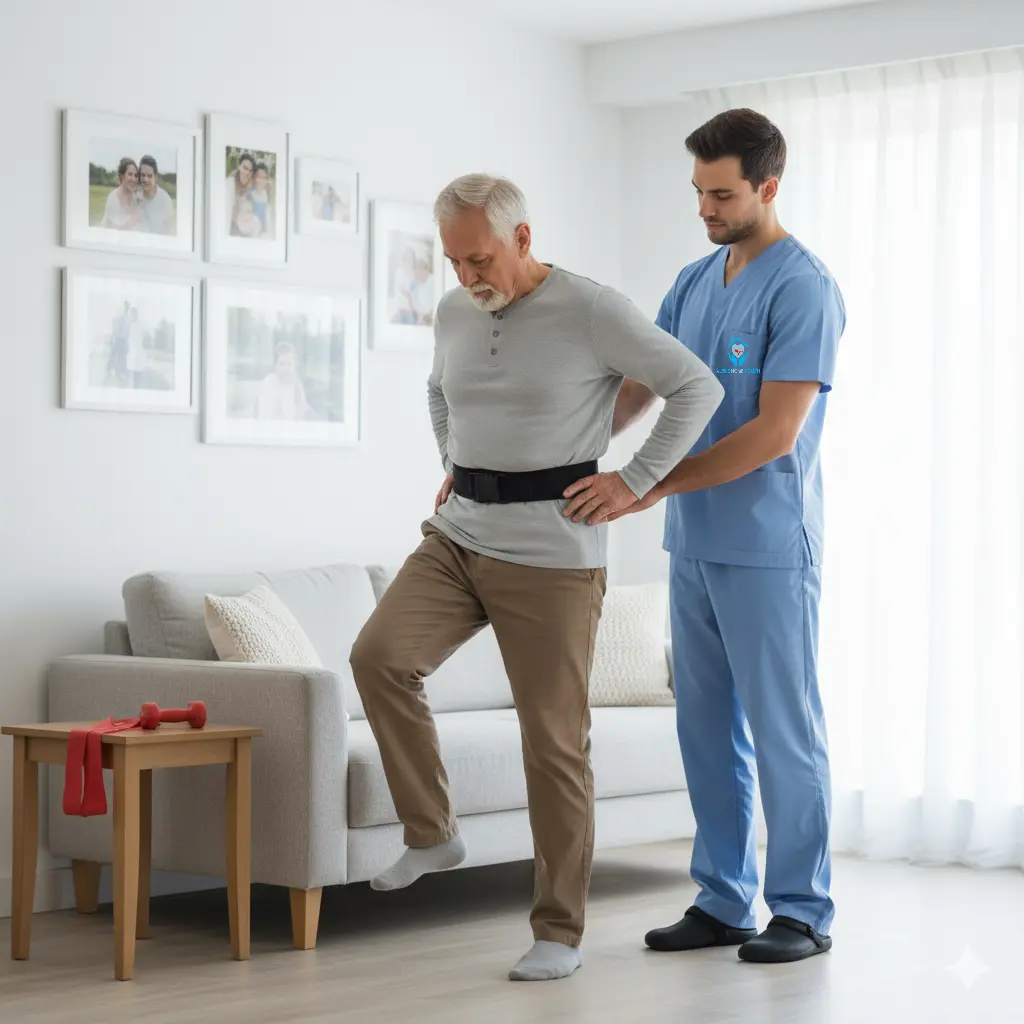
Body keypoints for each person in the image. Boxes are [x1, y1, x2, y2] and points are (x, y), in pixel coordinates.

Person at [348, 173, 723, 983]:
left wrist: (636, 482)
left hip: (553, 552)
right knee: (379, 658)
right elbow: (436, 389)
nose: (465, 277)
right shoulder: (455, 309)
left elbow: (696, 384)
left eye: (479, 258)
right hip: (457, 534)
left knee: (553, 744)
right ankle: (432, 831)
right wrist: (453, 460)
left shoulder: (591, 309)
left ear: (522, 240)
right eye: (453, 261)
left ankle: (558, 929)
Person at [575, 108, 845, 964]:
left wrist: (645, 483)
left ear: (768, 187)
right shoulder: (693, 282)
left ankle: (801, 910)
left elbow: (775, 432)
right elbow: (638, 392)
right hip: (693, 546)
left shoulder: (804, 287)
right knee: (704, 727)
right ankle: (724, 899)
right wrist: (561, 456)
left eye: (721, 194)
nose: (705, 208)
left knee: (783, 730)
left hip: (768, 545)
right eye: (697, 192)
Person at [254, 342, 312, 420]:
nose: (286, 369)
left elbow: (303, 413)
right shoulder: (269, 384)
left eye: (289, 364)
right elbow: (265, 417)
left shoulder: (297, 385)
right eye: (281, 364)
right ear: (275, 366)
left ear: (295, 365)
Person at [100, 158, 141, 231]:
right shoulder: (113, 198)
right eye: (130, 174)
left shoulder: (136, 198)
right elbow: (116, 231)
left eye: (136, 175)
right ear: (122, 176)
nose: (133, 179)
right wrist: (135, 219)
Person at [138, 155, 174, 235]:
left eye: (149, 176)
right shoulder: (134, 197)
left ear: (156, 177)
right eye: (143, 175)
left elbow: (169, 231)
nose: (145, 179)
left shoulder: (164, 199)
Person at [227, 153, 256, 235]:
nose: (247, 173)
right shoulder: (229, 185)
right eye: (245, 168)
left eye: (250, 171)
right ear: (239, 167)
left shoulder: (246, 191)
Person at [248, 163, 272, 237]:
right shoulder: (249, 195)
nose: (261, 180)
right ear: (254, 178)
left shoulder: (267, 195)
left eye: (264, 177)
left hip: (264, 234)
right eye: (259, 176)